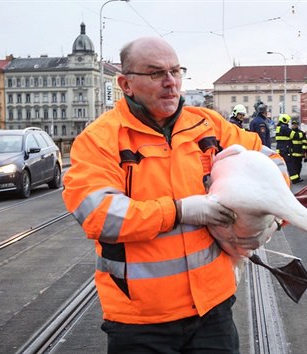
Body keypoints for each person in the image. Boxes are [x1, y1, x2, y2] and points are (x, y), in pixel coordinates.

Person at [62, 37, 288, 353]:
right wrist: (179, 211)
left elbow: (271, 162)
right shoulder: (100, 140)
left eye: (175, 71)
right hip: (140, 321)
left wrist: (275, 217)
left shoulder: (207, 124)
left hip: (212, 309)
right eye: (156, 73)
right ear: (126, 84)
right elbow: (99, 215)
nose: (170, 83)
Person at [275, 113, 294, 180]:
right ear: (284, 120)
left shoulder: (279, 127)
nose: (288, 123)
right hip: (284, 149)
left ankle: (281, 178)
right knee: (289, 164)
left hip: (280, 148)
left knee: (281, 164)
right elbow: (293, 135)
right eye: (287, 121)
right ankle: (294, 179)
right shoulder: (284, 127)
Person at [289, 119, 307, 184]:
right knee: (294, 166)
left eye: (295, 124)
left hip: (299, 153)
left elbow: (304, 142)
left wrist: (304, 150)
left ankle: (298, 177)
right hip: (293, 153)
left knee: (299, 166)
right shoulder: (290, 132)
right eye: (293, 124)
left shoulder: (301, 133)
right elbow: (289, 142)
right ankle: (295, 178)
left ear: (297, 125)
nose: (294, 125)